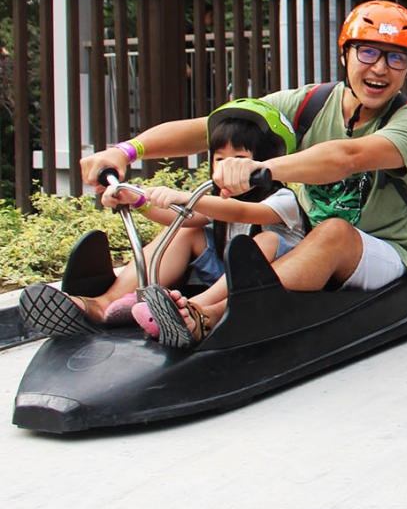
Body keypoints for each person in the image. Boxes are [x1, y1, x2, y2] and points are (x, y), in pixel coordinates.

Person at [58, 0, 407, 347]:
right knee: (192, 226)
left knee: (333, 231)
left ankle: (207, 315)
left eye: (396, 59)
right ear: (345, 54)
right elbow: (210, 126)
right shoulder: (307, 103)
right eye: (368, 52)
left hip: (385, 252)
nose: (380, 68)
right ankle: (103, 305)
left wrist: (262, 167)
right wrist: (126, 150)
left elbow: (346, 157)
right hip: (305, 243)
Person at [19, 99, 304, 344]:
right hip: (224, 272)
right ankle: (105, 304)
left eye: (239, 159)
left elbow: (241, 214)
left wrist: (182, 197)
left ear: (268, 162)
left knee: (263, 240)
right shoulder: (216, 198)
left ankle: (191, 311)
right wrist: (139, 202)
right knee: (185, 230)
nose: (226, 169)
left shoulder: (283, 200)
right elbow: (183, 216)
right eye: (220, 159)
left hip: (269, 281)